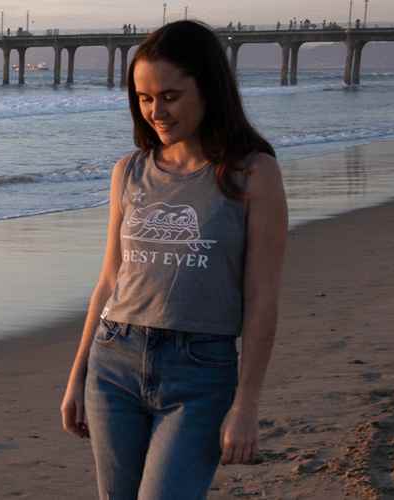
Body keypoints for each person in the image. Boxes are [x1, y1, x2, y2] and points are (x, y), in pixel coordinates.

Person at [60, 20, 285, 500]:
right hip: (114, 361)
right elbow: (108, 282)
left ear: (207, 87)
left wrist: (247, 404)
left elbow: (262, 298)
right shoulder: (129, 171)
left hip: (200, 373)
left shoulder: (252, 173)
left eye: (169, 96)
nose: (155, 111)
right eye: (144, 98)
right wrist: (77, 375)